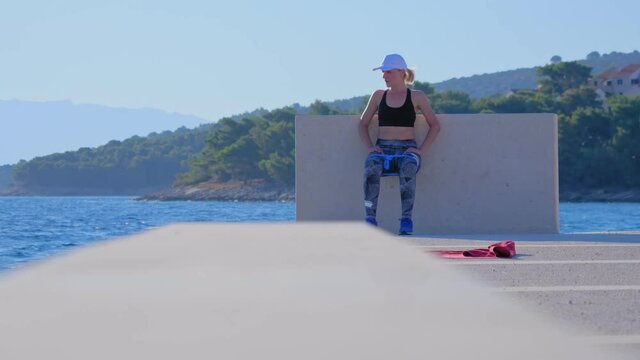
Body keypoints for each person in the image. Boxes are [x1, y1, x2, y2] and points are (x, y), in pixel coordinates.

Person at [358, 53, 441, 235]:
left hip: (406, 150)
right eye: (383, 72)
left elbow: (435, 125)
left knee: (408, 167)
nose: (384, 76)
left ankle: (406, 220)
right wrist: (370, 147)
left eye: (388, 72)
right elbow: (362, 124)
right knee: (371, 166)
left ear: (401, 72)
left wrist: (421, 150)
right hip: (382, 149)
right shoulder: (378, 96)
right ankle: (370, 218)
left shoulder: (416, 96)